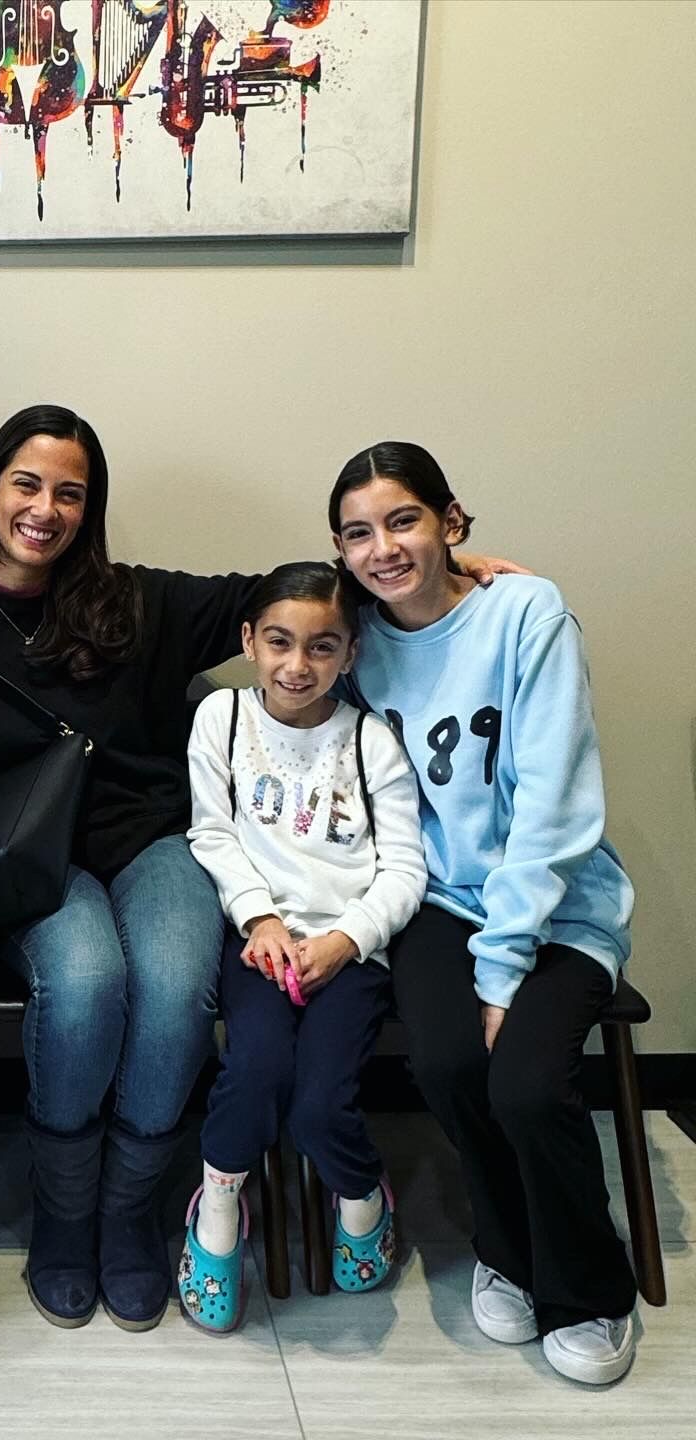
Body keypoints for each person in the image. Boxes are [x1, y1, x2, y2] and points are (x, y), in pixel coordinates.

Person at [0, 404, 263, 1334]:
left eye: (70, 493)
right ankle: (67, 1217)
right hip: (25, 863)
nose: (46, 509)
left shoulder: (136, 601)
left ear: (92, 507)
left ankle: (128, 1216)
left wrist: (438, 573)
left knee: (171, 984)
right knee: (86, 981)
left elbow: (282, 595)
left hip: (152, 840)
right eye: (27, 484)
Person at [329, 440, 638, 1385]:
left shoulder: (527, 612)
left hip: (556, 905)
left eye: (405, 520)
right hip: (440, 901)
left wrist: (504, 963)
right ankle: (507, 1246)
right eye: (358, 533)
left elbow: (556, 804)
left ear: (452, 521)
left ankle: (592, 1288)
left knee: (527, 1083)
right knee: (450, 1060)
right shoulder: (358, 642)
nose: (383, 548)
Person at [181, 561, 425, 1330]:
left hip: (350, 954)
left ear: (350, 653)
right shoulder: (220, 718)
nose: (297, 665)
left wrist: (350, 941)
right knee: (253, 1070)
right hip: (261, 943)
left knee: (322, 1104)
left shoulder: (373, 742)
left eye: (322, 648)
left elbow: (406, 868)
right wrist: (260, 920)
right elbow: (212, 833)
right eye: (279, 642)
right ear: (249, 640)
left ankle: (361, 1194)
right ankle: (218, 1202)